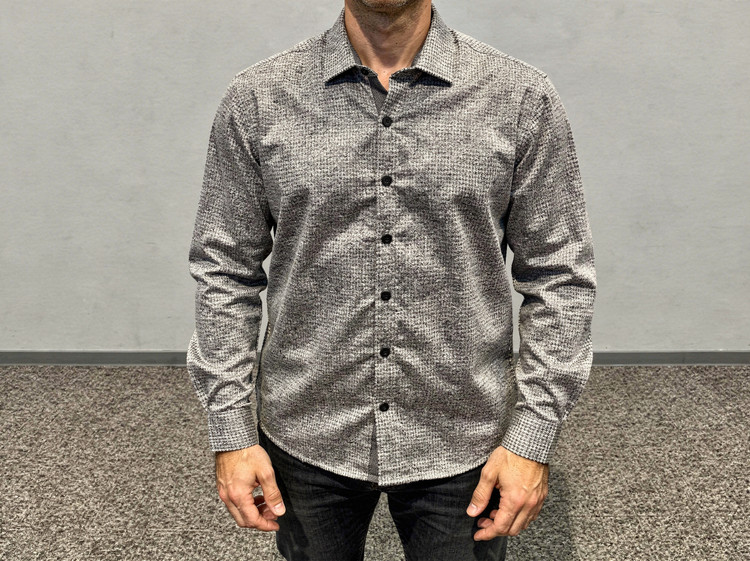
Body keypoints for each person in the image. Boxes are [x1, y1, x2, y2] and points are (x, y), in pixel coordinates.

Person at [186, 0, 596, 559]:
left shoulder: (520, 97)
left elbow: (560, 277)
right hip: (308, 429)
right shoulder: (258, 98)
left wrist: (532, 437)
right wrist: (231, 430)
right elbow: (225, 270)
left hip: (463, 434)